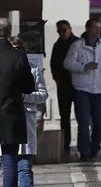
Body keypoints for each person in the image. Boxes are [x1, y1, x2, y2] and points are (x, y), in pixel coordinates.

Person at [63, 18, 101, 162]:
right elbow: (68, 63)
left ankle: (95, 149)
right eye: (96, 28)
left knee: (99, 122)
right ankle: (84, 152)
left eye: (99, 27)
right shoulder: (77, 46)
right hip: (82, 88)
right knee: (83, 123)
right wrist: (84, 66)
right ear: (88, 28)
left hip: (99, 90)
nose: (98, 30)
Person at [2, 36, 46, 187]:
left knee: (25, 167)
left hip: (26, 118)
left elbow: (42, 94)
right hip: (9, 121)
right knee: (9, 165)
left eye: (18, 49)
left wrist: (24, 97)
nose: (15, 52)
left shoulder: (33, 69)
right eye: (12, 48)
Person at [0, 19, 36, 187]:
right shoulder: (18, 56)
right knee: (9, 163)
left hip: (10, 114)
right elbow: (29, 87)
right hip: (10, 115)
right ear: (9, 34)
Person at [50, 19, 80, 154]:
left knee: (81, 115)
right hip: (63, 85)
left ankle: (82, 143)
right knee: (64, 116)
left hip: (78, 85)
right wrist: (57, 79)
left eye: (64, 30)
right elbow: (53, 63)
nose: (62, 33)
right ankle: (65, 144)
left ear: (70, 29)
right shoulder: (57, 45)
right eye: (59, 31)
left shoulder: (78, 43)